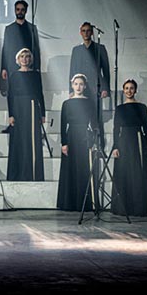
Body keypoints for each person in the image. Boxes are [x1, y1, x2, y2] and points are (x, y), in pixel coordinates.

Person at [110, 79, 147, 217]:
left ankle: (139, 207)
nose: (129, 91)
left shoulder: (141, 107)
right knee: (124, 172)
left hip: (138, 139)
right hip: (123, 142)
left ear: (135, 90)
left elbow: (146, 126)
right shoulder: (119, 108)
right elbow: (116, 129)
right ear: (123, 90)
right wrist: (115, 146)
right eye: (126, 88)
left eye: (131, 88)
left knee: (138, 172)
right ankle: (123, 207)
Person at [57, 74, 99, 212]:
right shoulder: (66, 104)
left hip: (84, 137)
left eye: (81, 84)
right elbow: (63, 124)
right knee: (70, 169)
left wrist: (94, 140)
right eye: (76, 84)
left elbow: (94, 123)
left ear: (85, 86)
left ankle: (85, 203)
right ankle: (69, 203)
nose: (78, 87)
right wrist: (64, 143)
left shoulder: (89, 103)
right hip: (71, 137)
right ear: (72, 85)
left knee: (83, 168)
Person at [6, 48, 46, 181]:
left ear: (31, 59)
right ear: (18, 60)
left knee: (32, 139)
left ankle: (32, 173)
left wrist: (43, 113)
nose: (25, 59)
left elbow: (40, 94)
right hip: (18, 109)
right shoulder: (13, 75)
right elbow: (10, 96)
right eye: (22, 56)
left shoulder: (35, 74)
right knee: (19, 139)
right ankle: (17, 174)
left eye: (27, 56)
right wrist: (11, 114)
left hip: (32, 108)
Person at [0, 0, 40, 96]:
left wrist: (37, 67)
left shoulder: (32, 28)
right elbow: (5, 49)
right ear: (15, 11)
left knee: (29, 91)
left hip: (29, 66)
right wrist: (4, 68)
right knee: (13, 92)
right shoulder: (9, 29)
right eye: (18, 9)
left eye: (22, 10)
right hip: (12, 66)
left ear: (26, 11)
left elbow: (36, 49)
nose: (20, 12)